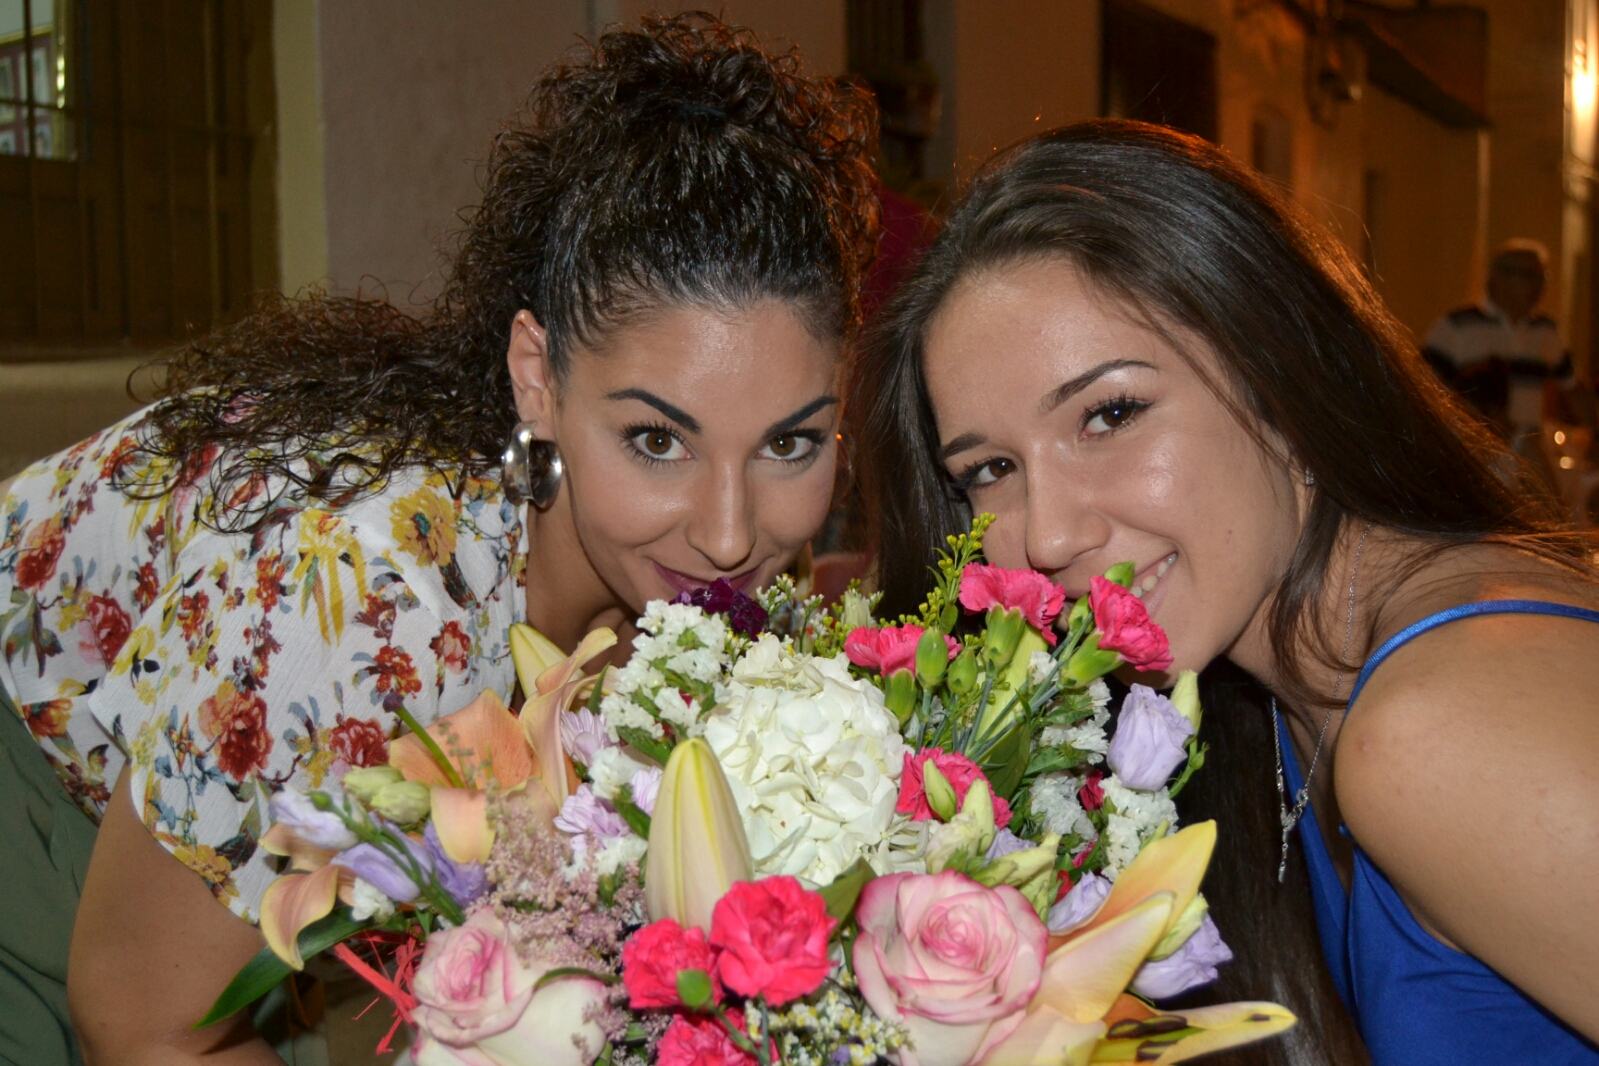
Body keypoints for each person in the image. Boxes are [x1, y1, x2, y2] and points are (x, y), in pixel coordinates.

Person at [0, 15, 877, 1064]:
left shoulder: (697, 576)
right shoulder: (367, 597)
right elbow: (139, 1018)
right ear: (536, 378)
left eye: (788, 442)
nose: (732, 536)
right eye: (656, 440)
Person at [853, 120, 1599, 1066]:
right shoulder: (1284, 697)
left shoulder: (1435, 730)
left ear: (1279, 375)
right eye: (990, 469)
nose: (1046, 536)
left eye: (1109, 414)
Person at [1422, 240, 1572, 446]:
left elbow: (1573, 387)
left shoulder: (1545, 330)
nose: (1539, 286)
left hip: (1526, 452)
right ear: (1500, 277)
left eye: (1543, 277)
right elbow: (1423, 389)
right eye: (1530, 275)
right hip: (1472, 448)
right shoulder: (1457, 326)